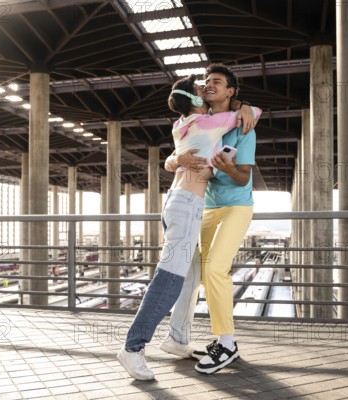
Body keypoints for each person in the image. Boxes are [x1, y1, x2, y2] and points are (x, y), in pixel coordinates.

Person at [117, 74, 260, 381]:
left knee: (190, 275)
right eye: (200, 89)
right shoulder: (209, 124)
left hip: (179, 202)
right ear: (195, 101)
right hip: (188, 206)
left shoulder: (180, 124)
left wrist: (174, 161)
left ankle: (177, 339)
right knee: (168, 281)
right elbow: (254, 114)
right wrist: (245, 106)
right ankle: (132, 348)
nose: (205, 89)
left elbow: (175, 159)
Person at [160, 63, 257, 375]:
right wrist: (174, 159)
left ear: (230, 91)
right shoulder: (200, 121)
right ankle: (178, 338)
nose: (208, 85)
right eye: (205, 82)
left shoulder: (243, 126)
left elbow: (243, 178)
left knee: (215, 268)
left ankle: (226, 343)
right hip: (205, 207)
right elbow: (172, 157)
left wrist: (225, 167)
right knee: (191, 271)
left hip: (235, 207)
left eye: (216, 81)